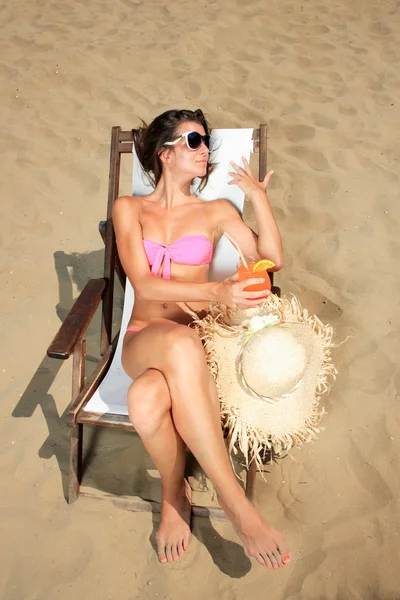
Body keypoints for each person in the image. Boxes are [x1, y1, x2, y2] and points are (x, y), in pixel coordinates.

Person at [113, 108, 290, 569]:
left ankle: (174, 493)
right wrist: (215, 290)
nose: (204, 150)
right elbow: (145, 285)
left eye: (206, 141)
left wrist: (258, 198)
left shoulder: (217, 211)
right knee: (174, 343)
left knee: (145, 401)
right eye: (194, 141)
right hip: (144, 338)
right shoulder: (128, 209)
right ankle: (236, 504)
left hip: (197, 343)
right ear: (164, 152)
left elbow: (270, 260)